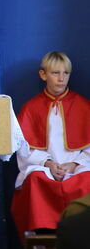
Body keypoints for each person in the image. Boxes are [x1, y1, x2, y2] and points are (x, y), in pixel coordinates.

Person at [10, 51, 90, 239]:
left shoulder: (84, 107)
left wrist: (74, 164)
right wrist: (48, 164)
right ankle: (41, 239)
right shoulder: (31, 108)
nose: (61, 79)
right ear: (43, 75)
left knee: (87, 181)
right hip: (44, 167)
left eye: (65, 73)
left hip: (77, 166)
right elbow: (24, 147)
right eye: (55, 73)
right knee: (35, 181)